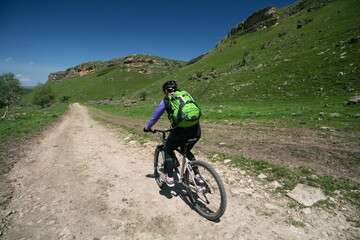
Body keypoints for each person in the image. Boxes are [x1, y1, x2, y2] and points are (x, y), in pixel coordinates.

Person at [144, 80, 201, 187]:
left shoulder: (166, 100)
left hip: (181, 131)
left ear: (165, 91)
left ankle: (169, 178)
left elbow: (155, 117)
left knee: (169, 149)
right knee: (187, 150)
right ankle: (198, 176)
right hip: (196, 129)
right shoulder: (185, 95)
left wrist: (147, 127)